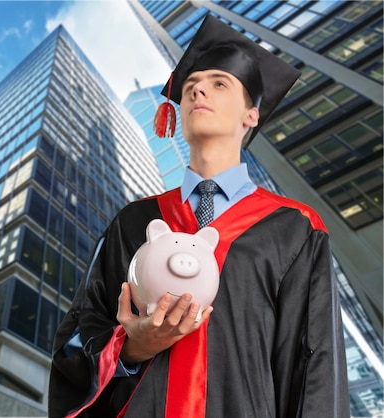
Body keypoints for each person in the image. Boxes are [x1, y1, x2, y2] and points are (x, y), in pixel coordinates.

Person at [48, 15, 350, 418]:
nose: (198, 89)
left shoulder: (296, 227)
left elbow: (316, 363)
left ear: (251, 115)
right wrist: (135, 346)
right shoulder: (134, 222)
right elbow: (79, 334)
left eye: (218, 83)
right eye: (190, 86)